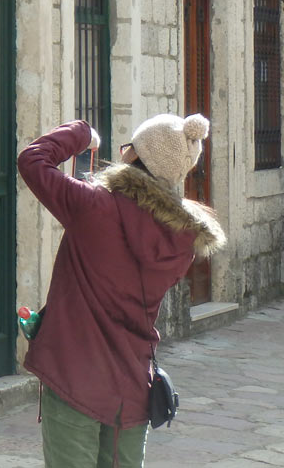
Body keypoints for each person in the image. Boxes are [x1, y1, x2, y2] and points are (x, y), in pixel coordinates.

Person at [17, 115, 226, 468]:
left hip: (74, 378)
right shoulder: (182, 241)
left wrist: (82, 133)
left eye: (128, 147)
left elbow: (32, 160)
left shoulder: (92, 206)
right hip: (130, 388)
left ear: (132, 157)